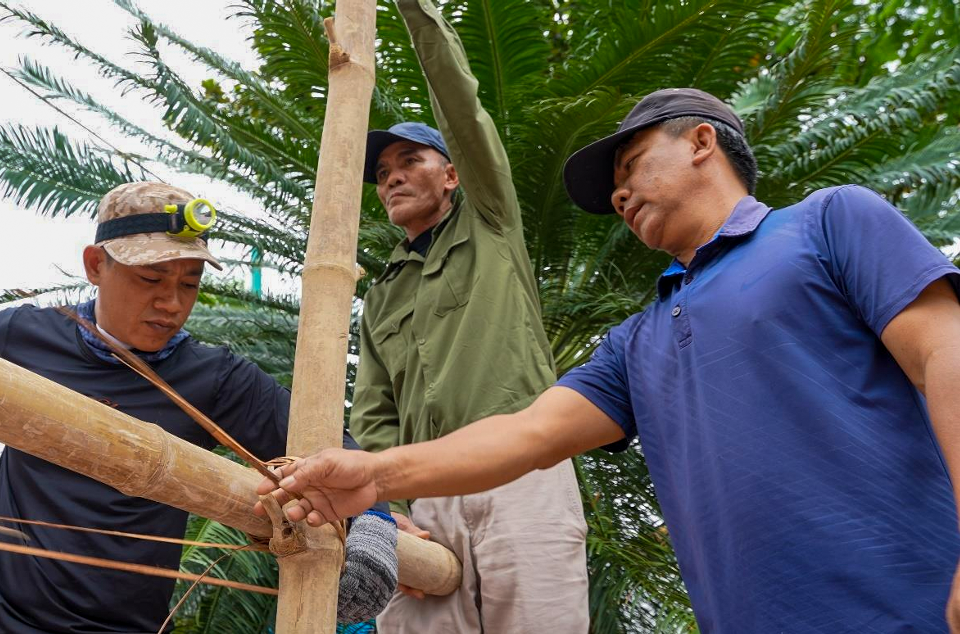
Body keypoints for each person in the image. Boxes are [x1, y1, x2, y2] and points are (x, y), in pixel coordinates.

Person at [259, 88, 960, 633]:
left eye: (629, 167)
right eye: (614, 190)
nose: (619, 195)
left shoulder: (828, 223)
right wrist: (374, 474)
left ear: (703, 142)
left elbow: (945, 355)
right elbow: (527, 435)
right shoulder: (636, 342)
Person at [0, 182, 398, 632]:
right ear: (96, 264)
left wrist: (374, 526)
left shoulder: (217, 378)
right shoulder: (20, 337)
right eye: (151, 278)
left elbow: (337, 459)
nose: (171, 303)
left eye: (191, 284)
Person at [346, 0, 590, 631]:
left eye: (410, 163)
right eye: (382, 173)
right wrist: (383, 507)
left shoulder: (490, 222)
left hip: (521, 472)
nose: (393, 179)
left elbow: (461, 106)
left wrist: (413, 10)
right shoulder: (381, 295)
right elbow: (373, 413)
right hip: (423, 500)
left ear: (452, 174)